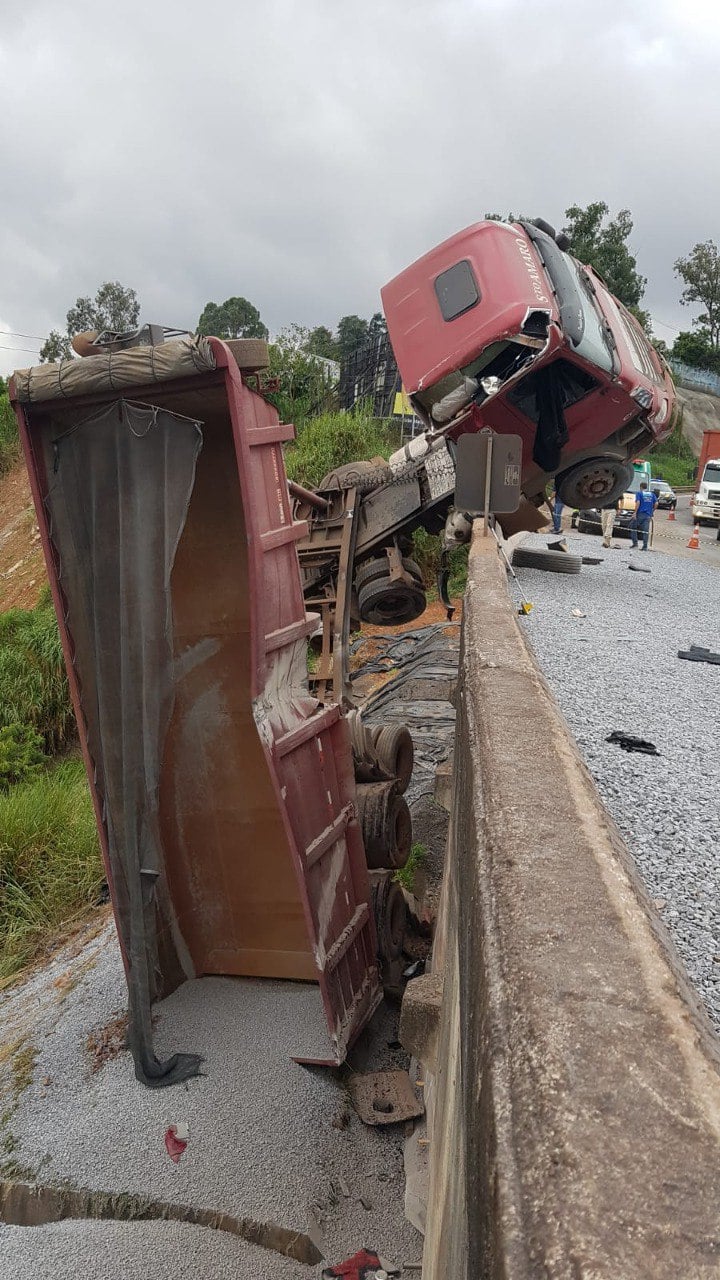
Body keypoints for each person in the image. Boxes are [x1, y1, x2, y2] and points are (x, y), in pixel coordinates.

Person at [630, 481, 658, 551]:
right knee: (645, 531)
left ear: (640, 487)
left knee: (633, 527)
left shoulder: (639, 493)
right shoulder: (652, 494)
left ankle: (635, 543)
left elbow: (638, 502)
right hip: (648, 515)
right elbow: (656, 503)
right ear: (646, 487)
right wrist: (652, 511)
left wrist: (635, 512)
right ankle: (645, 546)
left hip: (640, 513)